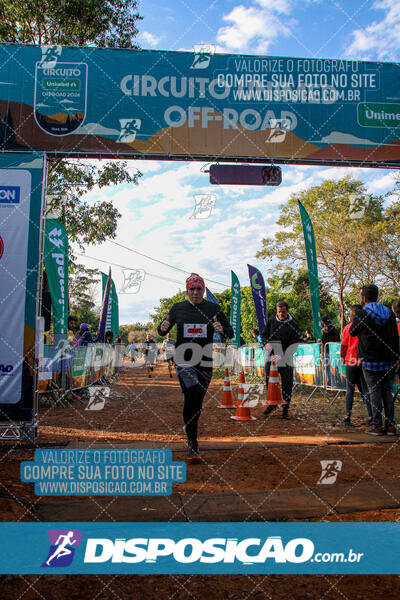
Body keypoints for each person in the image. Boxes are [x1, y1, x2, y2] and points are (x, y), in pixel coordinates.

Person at [158, 273, 233, 461]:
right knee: (191, 392)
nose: (195, 292)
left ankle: (190, 427)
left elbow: (230, 331)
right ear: (187, 290)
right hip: (183, 359)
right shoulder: (177, 308)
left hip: (205, 361)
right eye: (192, 289)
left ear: (203, 290)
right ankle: (192, 441)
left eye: (199, 289)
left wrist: (222, 329)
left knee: (196, 402)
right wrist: (163, 327)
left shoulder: (213, 308)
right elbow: (162, 329)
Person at [350, 284, 399, 435]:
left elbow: (353, 331)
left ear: (364, 298)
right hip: (388, 359)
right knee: (387, 390)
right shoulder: (389, 313)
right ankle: (390, 425)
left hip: (370, 359)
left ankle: (377, 425)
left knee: (374, 390)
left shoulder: (362, 314)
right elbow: (395, 336)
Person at [261, 300, 300, 419]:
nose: (281, 314)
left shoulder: (293, 325)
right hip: (271, 357)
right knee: (269, 380)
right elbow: (264, 335)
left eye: (283, 312)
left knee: (287, 383)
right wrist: (266, 343)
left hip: (286, 358)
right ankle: (272, 404)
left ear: (287, 311)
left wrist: (282, 356)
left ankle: (285, 408)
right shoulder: (271, 321)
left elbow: (295, 343)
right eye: (279, 312)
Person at [340, 304, 372, 427]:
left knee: (350, 389)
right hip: (362, 360)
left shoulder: (348, 328)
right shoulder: (365, 328)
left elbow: (344, 345)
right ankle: (371, 416)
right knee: (366, 389)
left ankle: (347, 416)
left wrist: (343, 357)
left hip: (350, 360)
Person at [321, 316, 340, 386]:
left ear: (323, 322)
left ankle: (329, 384)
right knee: (336, 367)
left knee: (328, 368)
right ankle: (337, 383)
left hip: (327, 351)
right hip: (335, 351)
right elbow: (338, 339)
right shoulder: (335, 329)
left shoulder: (323, 330)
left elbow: (323, 341)